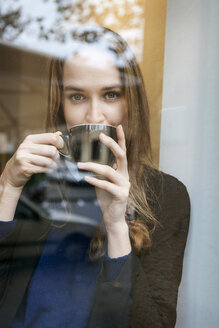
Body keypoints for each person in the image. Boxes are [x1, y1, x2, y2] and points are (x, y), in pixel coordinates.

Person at [0, 26, 190, 328]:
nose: (94, 116)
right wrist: (8, 187)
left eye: (111, 94)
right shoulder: (35, 182)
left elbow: (155, 323)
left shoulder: (166, 195)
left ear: (131, 103)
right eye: (77, 97)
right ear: (60, 105)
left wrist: (116, 225)